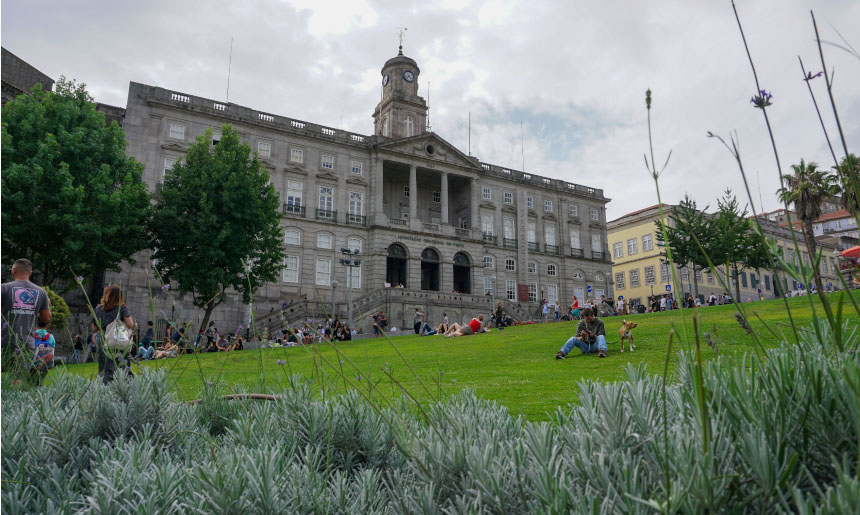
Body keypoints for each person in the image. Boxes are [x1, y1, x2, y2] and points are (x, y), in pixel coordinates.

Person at [2, 259, 52, 370]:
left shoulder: (3, 288)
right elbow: (46, 318)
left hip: (4, 341)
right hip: (26, 343)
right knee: (18, 379)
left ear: (14, 271)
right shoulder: (41, 292)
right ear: (30, 272)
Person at [92, 284, 135, 384]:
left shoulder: (99, 309)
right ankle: (123, 389)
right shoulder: (122, 308)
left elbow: (94, 327)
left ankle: (104, 388)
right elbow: (130, 324)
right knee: (122, 367)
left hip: (104, 341)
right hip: (118, 341)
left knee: (104, 367)